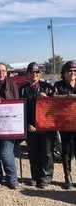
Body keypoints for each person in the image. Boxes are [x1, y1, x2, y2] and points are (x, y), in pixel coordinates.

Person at [19, 62, 55, 189]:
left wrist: (47, 98)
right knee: (33, 152)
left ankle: (45, 178)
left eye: (36, 72)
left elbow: (55, 106)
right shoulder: (22, 89)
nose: (34, 74)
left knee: (46, 153)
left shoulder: (48, 87)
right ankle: (35, 177)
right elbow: (19, 109)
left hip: (46, 127)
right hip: (30, 126)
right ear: (27, 74)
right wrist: (26, 124)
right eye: (31, 72)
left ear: (39, 74)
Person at [53, 60, 76, 189]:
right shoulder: (58, 85)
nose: (72, 73)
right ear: (64, 73)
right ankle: (68, 177)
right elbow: (52, 99)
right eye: (70, 71)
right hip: (65, 124)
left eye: (74, 71)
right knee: (66, 151)